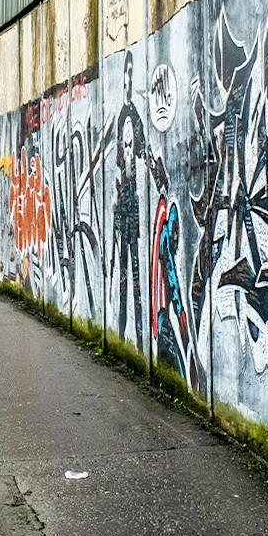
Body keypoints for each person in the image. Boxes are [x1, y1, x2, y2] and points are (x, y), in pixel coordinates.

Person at [112, 51, 145, 342]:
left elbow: (143, 153)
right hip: (125, 211)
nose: (128, 80)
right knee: (124, 271)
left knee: (135, 273)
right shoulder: (122, 117)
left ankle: (138, 333)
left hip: (134, 208)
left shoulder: (134, 116)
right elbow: (117, 171)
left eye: (131, 74)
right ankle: (122, 330)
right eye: (126, 73)